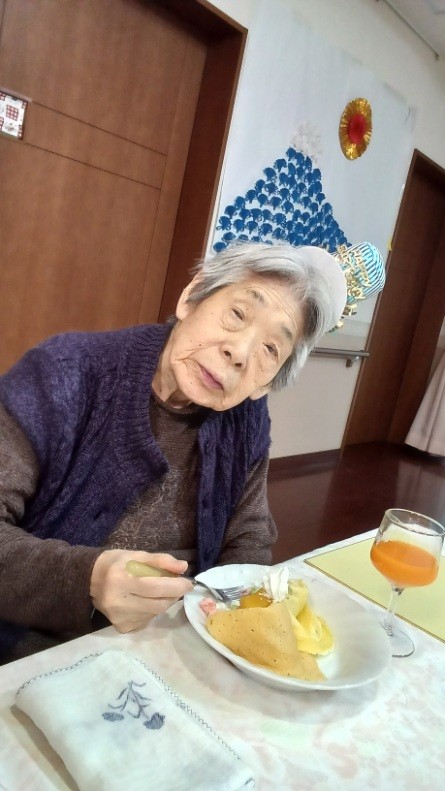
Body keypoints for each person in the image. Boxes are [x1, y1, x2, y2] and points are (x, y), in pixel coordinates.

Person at [0, 241, 347, 663]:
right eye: (238, 314)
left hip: (177, 650)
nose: (239, 353)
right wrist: (86, 579)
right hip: (35, 653)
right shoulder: (64, 373)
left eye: (270, 349)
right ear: (191, 296)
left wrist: (238, 621)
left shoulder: (246, 417)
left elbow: (248, 537)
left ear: (267, 384)